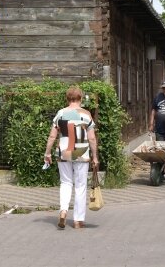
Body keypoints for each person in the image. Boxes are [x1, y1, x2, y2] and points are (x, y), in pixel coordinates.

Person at [44, 86, 99, 229]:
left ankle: (63, 210)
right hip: (81, 153)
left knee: (65, 183)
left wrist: (47, 153)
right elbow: (92, 139)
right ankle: (78, 220)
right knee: (80, 186)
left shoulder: (60, 114)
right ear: (80, 98)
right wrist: (95, 157)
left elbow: (52, 136)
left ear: (67, 99)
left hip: (63, 152)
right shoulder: (86, 114)